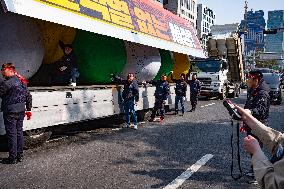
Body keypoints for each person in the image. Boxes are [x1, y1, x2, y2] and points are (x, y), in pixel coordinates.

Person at [235, 105, 284, 189]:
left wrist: (257, 153)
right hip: (257, 124)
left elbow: (274, 185)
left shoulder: (263, 92)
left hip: (262, 121)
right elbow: (280, 141)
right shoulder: (253, 92)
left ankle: (255, 174)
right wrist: (248, 118)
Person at [0, 63, 32, 164]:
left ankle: (13, 158)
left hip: (10, 112)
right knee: (19, 134)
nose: (2, 71)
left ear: (10, 70)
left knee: (12, 135)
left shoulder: (7, 83)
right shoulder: (22, 81)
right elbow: (28, 96)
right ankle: (20, 156)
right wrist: (28, 109)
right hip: (21, 111)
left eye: (3, 70)